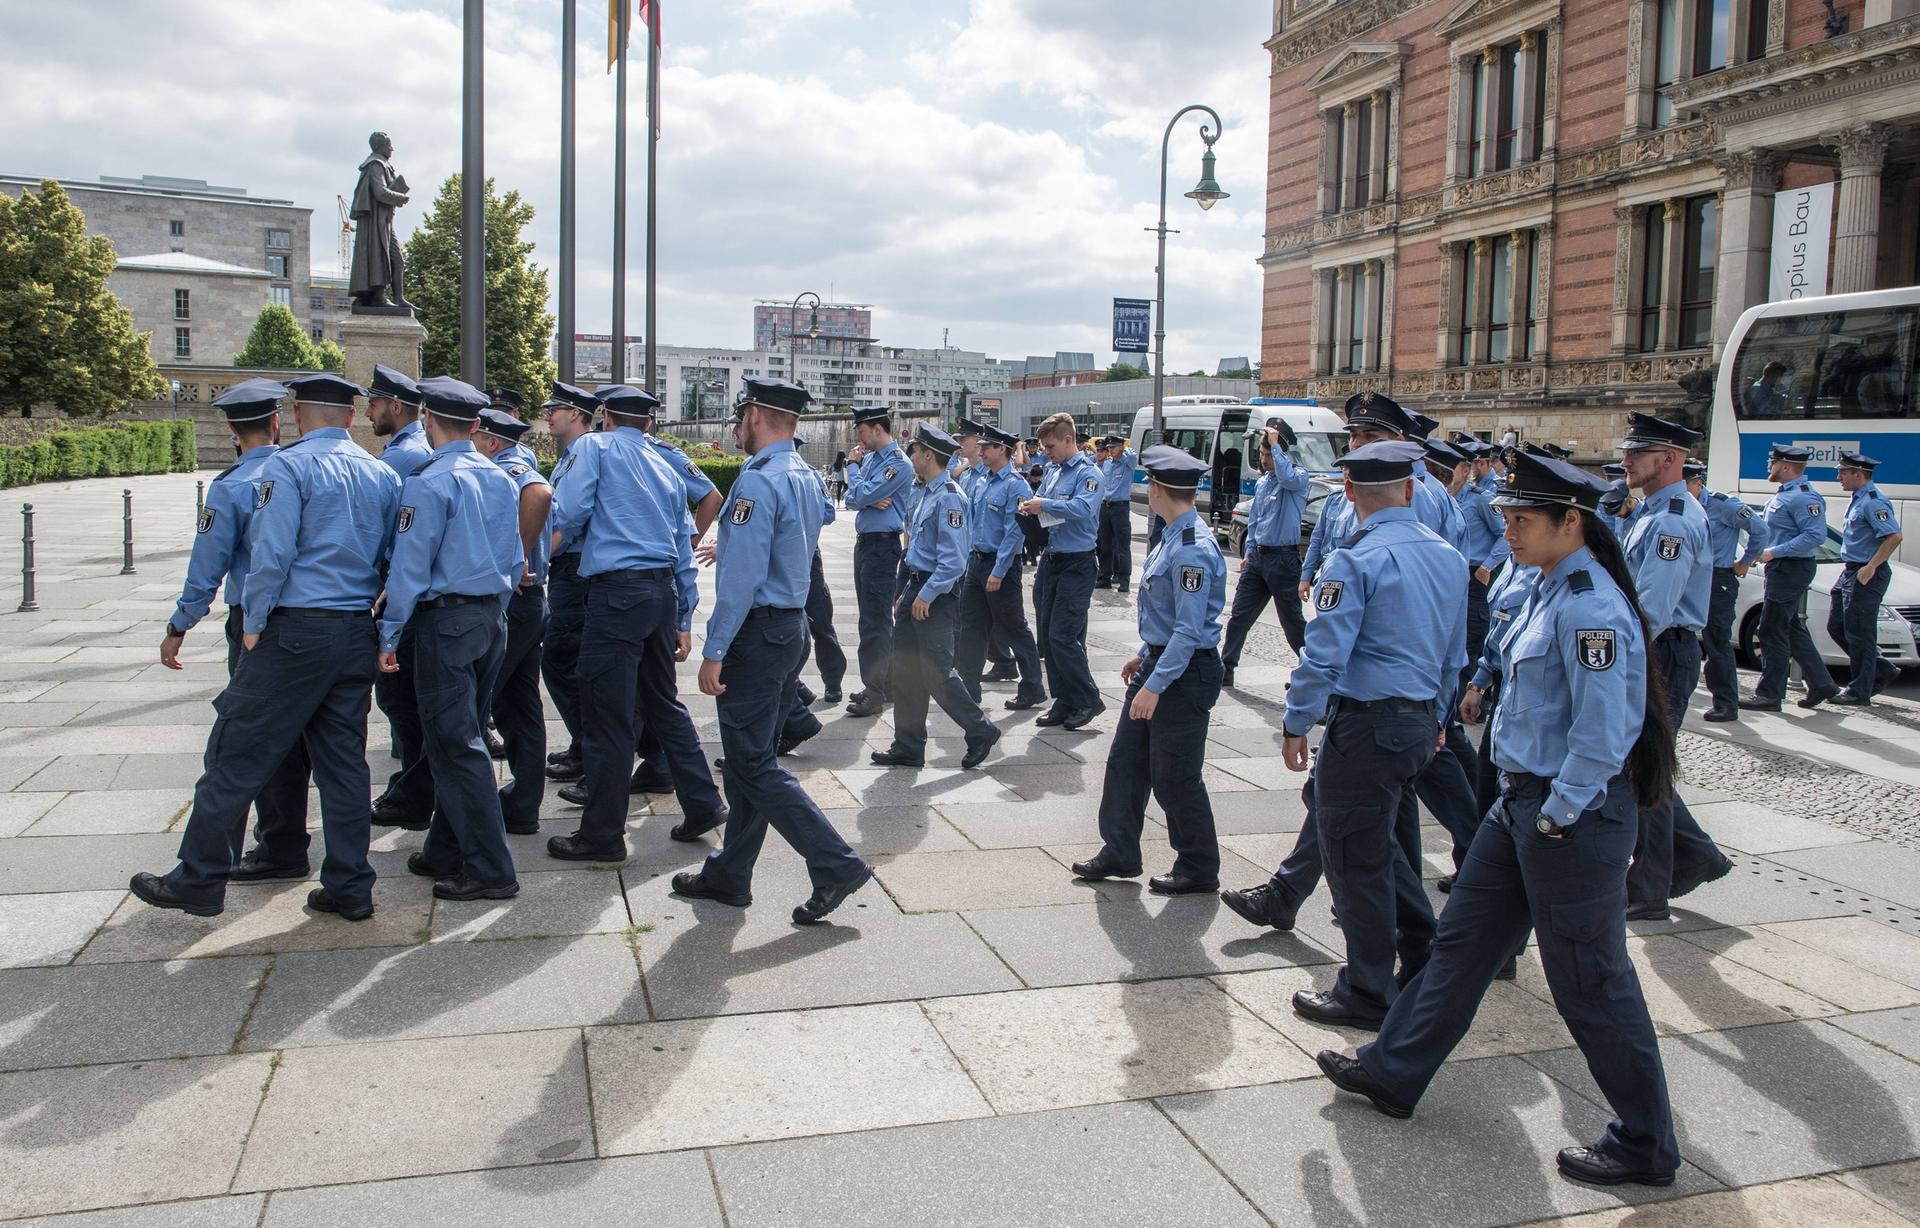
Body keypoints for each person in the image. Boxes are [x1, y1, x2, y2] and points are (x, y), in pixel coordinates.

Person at [1317, 447, 1682, 1193]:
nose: (1507, 531)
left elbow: (1607, 732)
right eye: (1506, 517)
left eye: (1521, 520)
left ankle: (1646, 1141)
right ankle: (1393, 1069)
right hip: (1520, 802)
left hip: (1565, 814)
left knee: (1591, 980)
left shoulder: (1591, 607)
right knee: (1461, 944)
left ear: (1569, 521)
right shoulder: (1547, 589)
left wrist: (1558, 816)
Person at [131, 372, 400, 920]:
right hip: (353, 629)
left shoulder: (287, 466)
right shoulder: (382, 473)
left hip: (294, 629)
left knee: (235, 752)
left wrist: (254, 621)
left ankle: (199, 877)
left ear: (297, 415)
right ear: (351, 417)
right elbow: (392, 558)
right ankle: (351, 885)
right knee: (343, 766)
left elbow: (272, 554)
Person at [1225, 440, 1465, 1028]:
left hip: (1366, 723)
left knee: (1355, 863)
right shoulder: (1447, 557)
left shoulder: (1353, 560)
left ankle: (1366, 990)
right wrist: (1435, 719)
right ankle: (1423, 952)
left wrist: (1295, 721)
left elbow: (1323, 654)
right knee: (1382, 848)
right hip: (1416, 722)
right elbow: (1453, 657)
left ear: (1351, 493)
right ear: (1411, 489)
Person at [675, 379, 872, 923]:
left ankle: (835, 863)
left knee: (754, 765)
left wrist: (714, 651)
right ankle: (730, 874)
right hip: (788, 628)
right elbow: (805, 535)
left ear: (756, 415)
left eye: (739, 418)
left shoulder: (757, 482)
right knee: (746, 764)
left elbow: (740, 579)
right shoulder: (805, 476)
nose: (735, 430)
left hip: (756, 635)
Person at [544, 385, 724, 862]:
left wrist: (533, 556)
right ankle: (703, 802)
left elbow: (571, 511)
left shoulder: (592, 447)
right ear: (648, 423)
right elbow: (684, 544)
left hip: (616, 594)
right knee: (664, 704)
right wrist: (683, 613)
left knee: (607, 715)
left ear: (603, 417)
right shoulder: (665, 465)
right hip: (659, 593)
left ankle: (602, 835)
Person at [160, 379, 312, 881]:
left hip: (253, 621)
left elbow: (208, 565)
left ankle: (270, 848)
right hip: (309, 619)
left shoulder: (231, 486)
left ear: (232, 429)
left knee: (246, 739)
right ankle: (288, 839)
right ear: (276, 422)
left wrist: (180, 623)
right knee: (294, 740)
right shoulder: (302, 471)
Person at [379, 377, 523, 899]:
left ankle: (490, 870)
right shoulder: (500, 476)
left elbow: (410, 567)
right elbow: (516, 559)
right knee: (458, 738)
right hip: (491, 618)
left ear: (428, 421)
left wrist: (390, 633)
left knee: (456, 746)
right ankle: (443, 849)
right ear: (477, 426)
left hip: (447, 620)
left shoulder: (428, 480)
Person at [1071, 446, 1227, 893]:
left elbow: (1189, 629)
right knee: (1126, 764)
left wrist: (1154, 684)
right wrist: (1146, 652)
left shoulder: (1191, 548)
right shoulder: (1173, 536)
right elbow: (1169, 619)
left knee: (1175, 777)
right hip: (1162, 661)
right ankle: (1120, 850)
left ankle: (1198, 866)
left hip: (1185, 673)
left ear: (1157, 490)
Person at [1615, 413, 1731, 920]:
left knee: (1644, 769)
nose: (1625, 461)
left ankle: (1650, 888)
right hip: (1658, 650)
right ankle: (1696, 856)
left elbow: (1652, 610)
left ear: (1670, 458)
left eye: (1637, 453)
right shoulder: (1650, 512)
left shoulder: (1671, 521)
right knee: (1642, 763)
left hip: (1660, 651)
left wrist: (1617, 658)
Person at [870, 426, 1003, 770]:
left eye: (914, 451)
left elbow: (955, 561)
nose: (910, 457)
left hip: (937, 593)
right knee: (906, 671)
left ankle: (980, 728)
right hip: (915, 585)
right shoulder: (921, 492)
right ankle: (908, 745)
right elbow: (912, 545)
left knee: (938, 672)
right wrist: (904, 592)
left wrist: (925, 594)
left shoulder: (949, 497)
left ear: (928, 454)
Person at [472, 406, 553, 832]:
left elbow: (539, 494)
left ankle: (469, 814)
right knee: (520, 706)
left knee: (473, 707)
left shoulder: (509, 466)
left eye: (475, 438)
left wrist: (515, 555)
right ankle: (522, 805)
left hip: (514, 602)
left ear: (491, 441)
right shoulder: (517, 461)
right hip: (529, 603)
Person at [367, 364, 437, 829]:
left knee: (402, 699)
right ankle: (413, 786)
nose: (368, 412)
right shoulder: (406, 451)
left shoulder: (403, 457)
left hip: (404, 586)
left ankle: (415, 792)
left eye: (373, 403)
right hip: (410, 585)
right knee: (407, 700)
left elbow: (389, 533)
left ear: (396, 407)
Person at [1741, 444, 1842, 712]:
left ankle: (1769, 695)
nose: (1768, 466)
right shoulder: (1786, 494)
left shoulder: (1803, 498)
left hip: (1791, 567)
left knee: (1770, 630)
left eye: (1772, 462)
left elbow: (1815, 536)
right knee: (1790, 628)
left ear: (1785, 466)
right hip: (1783, 568)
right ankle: (1822, 683)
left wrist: (1774, 552)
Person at [954, 424, 1048, 711]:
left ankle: (1032, 686)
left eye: (986, 447)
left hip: (1000, 566)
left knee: (1013, 627)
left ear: (1002, 450)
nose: (980, 451)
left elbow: (1014, 531)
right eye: (980, 446)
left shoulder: (1015, 485)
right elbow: (973, 523)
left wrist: (999, 570)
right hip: (977, 561)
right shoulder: (983, 480)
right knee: (971, 626)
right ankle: (968, 688)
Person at [1023, 412, 1105, 729]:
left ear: (1069, 440)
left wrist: (1044, 505)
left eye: (1051, 445)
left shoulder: (1089, 473)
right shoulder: (1055, 472)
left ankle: (1088, 698)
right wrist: (1031, 507)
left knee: (1064, 636)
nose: (1046, 451)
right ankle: (1064, 699)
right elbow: (1044, 504)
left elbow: (1083, 509)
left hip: (1078, 561)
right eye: (1044, 446)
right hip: (1052, 558)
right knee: (1047, 635)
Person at [538, 383, 601, 784]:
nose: (548, 414)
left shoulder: (584, 450)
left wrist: (539, 558)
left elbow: (571, 515)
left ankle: (588, 748)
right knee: (570, 662)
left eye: (555, 408)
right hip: (573, 569)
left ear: (576, 414)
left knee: (562, 661)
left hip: (574, 570)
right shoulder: (573, 454)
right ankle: (585, 746)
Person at [1220, 423, 1308, 687]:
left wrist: (1276, 444)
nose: (1264, 459)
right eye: (1263, 454)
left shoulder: (1298, 477)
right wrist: (1248, 552)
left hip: (1283, 560)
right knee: (1239, 616)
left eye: (1269, 455)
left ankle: (1312, 673)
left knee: (1292, 623)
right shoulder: (1262, 483)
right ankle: (1226, 669)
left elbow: (1288, 478)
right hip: (1259, 558)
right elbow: (1255, 520)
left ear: (1282, 452)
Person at [842, 406, 912, 717]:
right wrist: (866, 495)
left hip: (883, 546)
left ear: (876, 429)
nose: (858, 437)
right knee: (872, 618)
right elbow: (852, 499)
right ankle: (887, 683)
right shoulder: (871, 460)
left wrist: (855, 473)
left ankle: (875, 690)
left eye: (861, 430)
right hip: (865, 545)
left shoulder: (898, 464)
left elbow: (861, 494)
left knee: (875, 621)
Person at [1687, 461, 1767, 722]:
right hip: (1691, 577)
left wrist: (1746, 561)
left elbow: (1760, 530)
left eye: (1685, 485)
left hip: (1717, 578)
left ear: (1699, 483)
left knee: (1716, 641)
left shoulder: (1723, 505)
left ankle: (1725, 702)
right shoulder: (1682, 507)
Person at [1830, 450, 1903, 705]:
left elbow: (1894, 536)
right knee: (1837, 625)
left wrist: (1871, 566)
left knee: (1860, 632)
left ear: (1857, 474)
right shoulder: (1858, 497)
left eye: (1842, 472)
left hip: (1866, 571)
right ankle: (1880, 668)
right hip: (1851, 569)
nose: (1838, 476)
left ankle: (1859, 690)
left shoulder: (1873, 501)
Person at [1094, 436, 1138, 591]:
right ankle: (1104, 577)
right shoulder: (1107, 464)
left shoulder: (1127, 463)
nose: (1110, 450)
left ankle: (1124, 580)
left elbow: (1133, 456)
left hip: (1120, 507)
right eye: (1109, 448)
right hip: (1106, 506)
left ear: (1121, 447)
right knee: (1104, 544)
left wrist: (1124, 448)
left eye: (1113, 447)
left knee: (1122, 545)